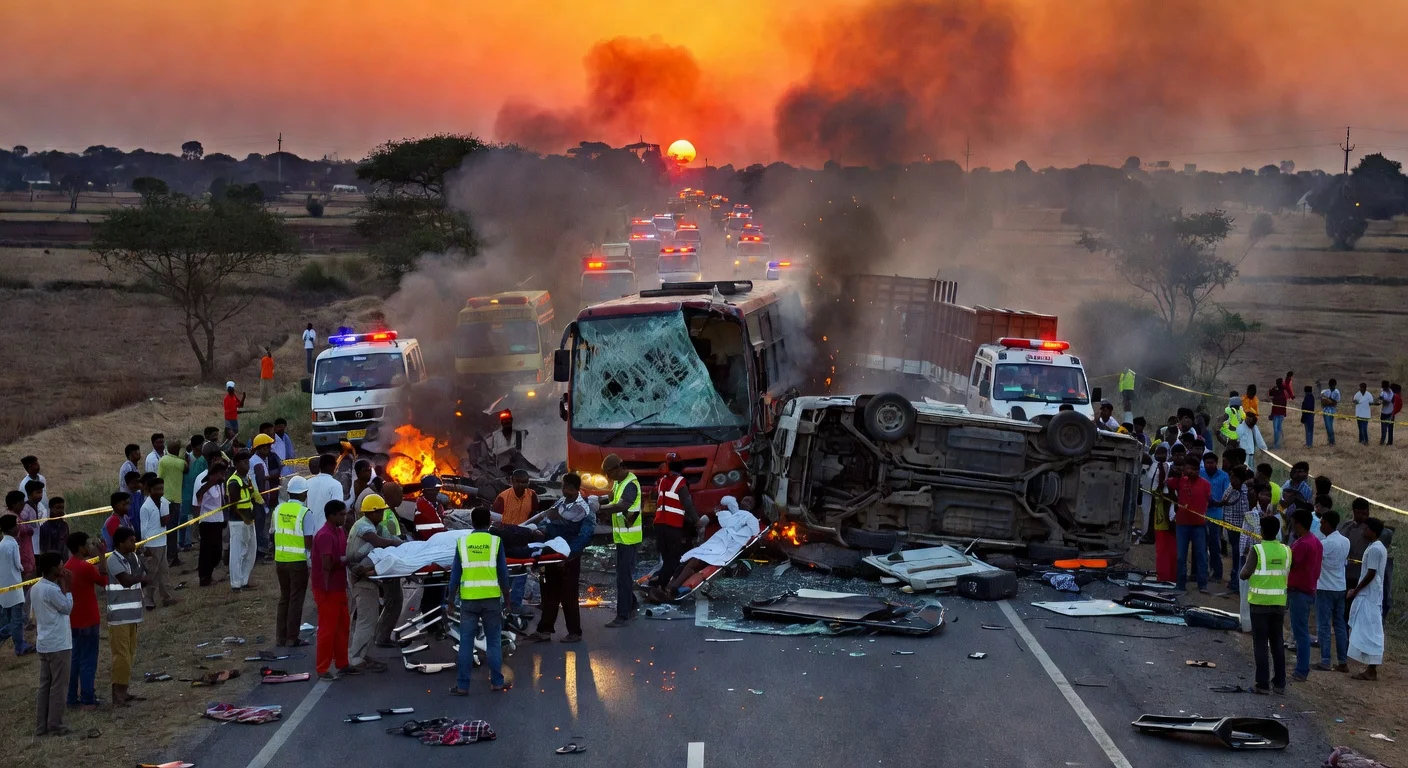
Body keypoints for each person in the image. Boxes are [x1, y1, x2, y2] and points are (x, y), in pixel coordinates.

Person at [446, 505, 513, 695]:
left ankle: (462, 686)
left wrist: (450, 600)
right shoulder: (496, 542)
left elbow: (455, 576)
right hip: (491, 599)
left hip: (469, 601)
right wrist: (507, 598)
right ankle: (497, 682)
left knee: (466, 642)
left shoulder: (462, 542)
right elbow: (503, 574)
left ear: (472, 522)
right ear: (490, 521)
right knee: (493, 642)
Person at [525, 473, 595, 643]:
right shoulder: (561, 503)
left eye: (565, 487)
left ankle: (575, 632)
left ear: (572, 488)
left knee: (568, 595)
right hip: (552, 554)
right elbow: (547, 518)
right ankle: (544, 630)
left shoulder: (585, 509)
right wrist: (540, 530)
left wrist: (568, 555)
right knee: (549, 593)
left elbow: (584, 536)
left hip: (568, 558)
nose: (563, 490)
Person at [662, 496, 760, 596]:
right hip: (716, 541)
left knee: (695, 561)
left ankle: (673, 588)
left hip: (725, 546)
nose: (747, 502)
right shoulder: (732, 513)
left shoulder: (750, 519)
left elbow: (755, 531)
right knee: (690, 560)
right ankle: (670, 586)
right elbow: (725, 507)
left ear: (752, 507)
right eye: (745, 499)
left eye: (750, 501)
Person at [346, 494, 401, 672]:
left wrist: (405, 544)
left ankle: (360, 654)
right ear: (373, 512)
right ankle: (355, 658)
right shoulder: (363, 526)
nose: (383, 514)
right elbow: (380, 542)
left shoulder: (377, 525)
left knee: (367, 618)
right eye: (381, 511)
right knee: (366, 620)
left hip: (368, 576)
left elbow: (390, 538)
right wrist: (397, 544)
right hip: (361, 578)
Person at [1240, 515, 1289, 694]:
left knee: (1260, 643)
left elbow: (1244, 574)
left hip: (1260, 604)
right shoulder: (1286, 550)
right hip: (1279, 604)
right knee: (1277, 642)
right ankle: (1280, 683)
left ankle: (1262, 683)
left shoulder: (1257, 550)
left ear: (1261, 530)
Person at [596, 454, 642, 627]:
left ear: (618, 468)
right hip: (623, 537)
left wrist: (599, 508)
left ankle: (623, 616)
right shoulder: (619, 482)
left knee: (623, 577)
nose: (608, 477)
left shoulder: (630, 484)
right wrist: (594, 501)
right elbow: (611, 498)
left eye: (609, 473)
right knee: (623, 575)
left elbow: (621, 505)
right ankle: (632, 604)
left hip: (630, 538)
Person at [105, 526, 148, 706]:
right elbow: (127, 581)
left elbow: (144, 575)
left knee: (129, 654)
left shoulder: (134, 557)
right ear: (121, 543)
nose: (135, 543)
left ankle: (124, 689)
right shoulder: (113, 560)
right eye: (131, 540)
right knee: (121, 655)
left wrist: (139, 576)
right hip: (119, 615)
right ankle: (118, 694)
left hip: (133, 614)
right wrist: (140, 577)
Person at [32, 551, 72, 736]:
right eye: (61, 565)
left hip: (44, 642)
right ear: (54, 568)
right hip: (58, 644)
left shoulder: (37, 587)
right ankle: (55, 724)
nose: (63, 568)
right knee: (58, 686)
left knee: (45, 686)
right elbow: (66, 607)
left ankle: (42, 725)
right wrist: (68, 588)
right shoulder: (52, 589)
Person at [65, 531, 107, 709]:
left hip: (73, 620)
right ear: (81, 547)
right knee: (88, 660)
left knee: (75, 659)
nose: (90, 547)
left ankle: (71, 697)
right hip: (89, 619)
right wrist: (102, 556)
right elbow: (104, 581)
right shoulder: (85, 567)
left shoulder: (67, 567)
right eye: (88, 544)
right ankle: (88, 698)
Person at [311, 500, 352, 680]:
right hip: (327, 588)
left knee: (343, 627)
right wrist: (345, 561)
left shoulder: (340, 532)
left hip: (339, 586)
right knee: (327, 629)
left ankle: (342, 663)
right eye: (341, 514)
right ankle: (322, 668)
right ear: (332, 515)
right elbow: (327, 564)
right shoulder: (325, 535)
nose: (344, 517)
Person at [272, 476, 315, 648]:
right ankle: (292, 638)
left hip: (280, 560)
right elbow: (308, 541)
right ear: (304, 493)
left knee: (284, 598)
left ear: (289, 492)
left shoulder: (278, 509)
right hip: (298, 561)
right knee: (296, 599)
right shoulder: (305, 513)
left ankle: (280, 638)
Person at [492, 469, 537, 616]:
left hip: (522, 539)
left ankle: (516, 605)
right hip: (505, 540)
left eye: (526, 482)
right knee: (505, 573)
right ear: (512, 481)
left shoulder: (532, 496)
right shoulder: (503, 498)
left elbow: (534, 517)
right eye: (520, 482)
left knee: (521, 573)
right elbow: (495, 522)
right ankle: (500, 605)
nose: (523, 485)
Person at [1347, 517, 1387, 681]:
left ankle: (1372, 669)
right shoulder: (1375, 547)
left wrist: (1356, 590)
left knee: (1371, 631)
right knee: (1367, 630)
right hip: (1370, 595)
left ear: (1372, 530)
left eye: (1366, 528)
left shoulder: (1376, 549)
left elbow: (1371, 573)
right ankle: (1370, 667)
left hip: (1370, 596)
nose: (1364, 531)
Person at [1284, 507, 1322, 682]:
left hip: (1299, 591)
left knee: (1300, 633)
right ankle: (1301, 667)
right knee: (1302, 631)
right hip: (1309, 589)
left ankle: (1301, 669)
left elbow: (1290, 564)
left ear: (1297, 523)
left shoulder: (1302, 544)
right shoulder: (1315, 542)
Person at [651, 457, 698, 595]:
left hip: (659, 525)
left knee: (666, 557)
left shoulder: (661, 481)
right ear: (682, 468)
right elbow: (687, 503)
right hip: (673, 526)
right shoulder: (681, 482)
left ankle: (659, 581)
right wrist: (696, 521)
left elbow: (655, 497)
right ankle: (662, 585)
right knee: (674, 558)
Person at [1166, 455, 1210, 593]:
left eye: (1194, 469)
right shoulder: (1180, 481)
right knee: (1181, 556)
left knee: (1201, 554)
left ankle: (1202, 584)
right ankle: (1181, 583)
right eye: (1188, 468)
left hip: (1199, 524)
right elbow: (1168, 483)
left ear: (1198, 470)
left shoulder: (1205, 484)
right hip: (1182, 524)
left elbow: (1208, 499)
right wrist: (1178, 473)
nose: (1191, 471)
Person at [373, 482, 407, 648]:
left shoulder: (389, 513)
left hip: (389, 563)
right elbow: (393, 542)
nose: (402, 497)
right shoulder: (388, 516)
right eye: (399, 494)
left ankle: (383, 635)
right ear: (390, 495)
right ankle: (382, 637)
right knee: (393, 601)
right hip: (390, 564)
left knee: (392, 600)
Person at [1316, 510, 1351, 673]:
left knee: (1323, 624)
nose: (1321, 525)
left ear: (1328, 524)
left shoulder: (1325, 544)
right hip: (1340, 586)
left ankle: (1325, 660)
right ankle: (1343, 660)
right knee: (1340, 624)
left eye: (1322, 522)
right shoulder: (1345, 541)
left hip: (1325, 588)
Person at [137, 475, 178, 609]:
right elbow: (143, 529)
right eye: (156, 489)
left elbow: (165, 521)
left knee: (164, 571)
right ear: (150, 490)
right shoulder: (146, 507)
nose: (160, 492)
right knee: (151, 573)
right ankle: (149, 599)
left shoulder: (164, 502)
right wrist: (144, 546)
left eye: (161, 489)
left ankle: (166, 596)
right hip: (152, 544)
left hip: (162, 541)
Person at [0, 514, 35, 655]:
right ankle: (19, 645)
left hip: (4, 587)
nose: (18, 527)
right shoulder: (13, 544)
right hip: (15, 587)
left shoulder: (1, 544)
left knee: (11, 617)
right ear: (11, 528)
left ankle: (19, 644)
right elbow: (18, 564)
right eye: (16, 525)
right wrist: (24, 569)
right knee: (20, 619)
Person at [225, 452, 258, 591]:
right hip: (238, 521)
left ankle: (244, 580)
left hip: (249, 519)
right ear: (236, 464)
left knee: (251, 551)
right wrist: (243, 517)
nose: (247, 464)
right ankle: (236, 584)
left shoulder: (247, 478)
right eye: (243, 462)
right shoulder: (234, 481)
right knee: (238, 553)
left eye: (247, 462)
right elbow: (233, 504)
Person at [193, 460, 228, 586]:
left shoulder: (220, 484)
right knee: (207, 551)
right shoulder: (205, 483)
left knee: (217, 551)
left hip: (217, 520)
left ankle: (210, 572)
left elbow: (222, 501)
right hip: (207, 522)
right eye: (221, 474)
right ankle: (204, 576)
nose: (223, 476)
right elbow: (198, 497)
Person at [1220, 465, 1251, 595]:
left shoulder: (1244, 491)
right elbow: (1224, 500)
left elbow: (1245, 510)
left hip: (1241, 528)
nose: (1231, 479)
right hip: (1231, 526)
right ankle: (1234, 580)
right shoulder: (1231, 489)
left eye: (1233, 477)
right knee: (1235, 554)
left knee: (1239, 555)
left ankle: (1237, 582)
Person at [1148, 445, 1177, 582]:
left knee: (1173, 550)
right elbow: (1154, 490)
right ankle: (1164, 577)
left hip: (1174, 520)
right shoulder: (1156, 468)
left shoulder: (1167, 467)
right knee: (1162, 550)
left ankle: (1171, 577)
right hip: (1161, 517)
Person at [1200, 452, 1229, 584]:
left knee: (1214, 546)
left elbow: (1226, 496)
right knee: (1201, 546)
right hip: (1200, 514)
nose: (1209, 465)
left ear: (1216, 463)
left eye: (1212, 463)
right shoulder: (1200, 473)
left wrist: (1215, 502)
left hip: (1216, 515)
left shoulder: (1224, 476)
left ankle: (1217, 573)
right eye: (1207, 463)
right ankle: (1203, 572)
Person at [157, 438, 188, 562]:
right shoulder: (181, 463)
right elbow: (186, 469)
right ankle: (172, 556)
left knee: (167, 530)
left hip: (164, 498)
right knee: (173, 529)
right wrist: (182, 456)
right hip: (176, 499)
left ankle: (170, 556)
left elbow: (159, 477)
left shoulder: (163, 460)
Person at [250, 433, 277, 561]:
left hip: (259, 499)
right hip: (259, 500)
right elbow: (261, 482)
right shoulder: (257, 463)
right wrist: (264, 500)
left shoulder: (258, 460)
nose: (269, 449)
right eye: (267, 447)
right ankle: (259, 554)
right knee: (259, 528)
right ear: (260, 448)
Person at [304, 454, 343, 535]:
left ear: (320, 467)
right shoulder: (336, 485)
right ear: (334, 466)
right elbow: (338, 511)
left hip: (309, 533)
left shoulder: (307, 483)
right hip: (326, 534)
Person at [38, 498, 68, 563]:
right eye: (58, 508)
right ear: (51, 509)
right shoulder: (45, 527)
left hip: (65, 560)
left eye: (62, 508)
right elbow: (45, 549)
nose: (61, 510)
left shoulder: (65, 525)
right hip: (52, 563)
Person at [1321, 378, 1341, 445]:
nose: (1332, 387)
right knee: (1328, 426)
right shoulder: (1325, 391)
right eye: (1330, 386)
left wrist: (1329, 400)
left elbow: (1335, 403)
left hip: (1332, 411)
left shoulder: (1337, 392)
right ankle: (1330, 441)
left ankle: (1332, 441)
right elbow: (1322, 402)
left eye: (1333, 385)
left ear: (1335, 385)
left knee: (1330, 427)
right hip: (1325, 411)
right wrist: (1327, 401)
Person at [1269, 378, 1288, 448]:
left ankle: (1277, 444)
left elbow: (1269, 393)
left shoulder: (1276, 391)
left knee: (1276, 428)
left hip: (1276, 412)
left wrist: (1273, 388)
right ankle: (1281, 441)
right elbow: (1285, 402)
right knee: (1279, 427)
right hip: (1281, 412)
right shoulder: (1283, 391)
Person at [1379, 380, 1395, 445]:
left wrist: (1382, 399)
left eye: (1384, 388)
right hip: (1383, 412)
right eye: (1383, 388)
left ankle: (1389, 442)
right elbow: (1381, 400)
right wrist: (1380, 399)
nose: (1383, 389)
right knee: (1383, 428)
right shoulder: (1382, 391)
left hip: (1390, 413)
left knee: (1390, 429)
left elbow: (1387, 402)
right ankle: (1382, 441)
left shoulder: (1392, 393)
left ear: (1387, 387)